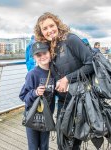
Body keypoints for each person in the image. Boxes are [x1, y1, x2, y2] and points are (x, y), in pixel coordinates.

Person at [34, 12, 94, 150]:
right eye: (45, 29)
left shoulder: (71, 39)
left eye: (51, 26)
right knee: (63, 142)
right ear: (41, 32)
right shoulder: (48, 47)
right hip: (62, 102)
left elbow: (90, 64)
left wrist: (67, 79)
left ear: (57, 25)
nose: (49, 30)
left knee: (72, 143)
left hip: (79, 100)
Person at [19, 41, 55, 150]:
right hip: (32, 116)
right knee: (33, 146)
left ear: (50, 53)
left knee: (44, 146)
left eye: (45, 53)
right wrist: (35, 92)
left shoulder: (54, 73)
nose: (42, 56)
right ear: (34, 57)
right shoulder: (32, 74)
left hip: (47, 116)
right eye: (38, 55)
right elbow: (23, 96)